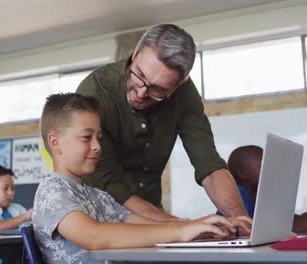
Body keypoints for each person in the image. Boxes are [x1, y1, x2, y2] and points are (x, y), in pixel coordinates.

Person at [33, 93, 241, 264]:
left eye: (99, 138)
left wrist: (205, 227)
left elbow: (148, 226)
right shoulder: (53, 190)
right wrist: (185, 231)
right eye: (87, 137)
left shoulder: (98, 196)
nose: (97, 146)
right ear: (55, 142)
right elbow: (94, 237)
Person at [76, 24, 250, 228]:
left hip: (153, 217)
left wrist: (242, 222)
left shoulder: (185, 95)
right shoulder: (93, 93)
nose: (141, 93)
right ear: (135, 53)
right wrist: (185, 227)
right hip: (100, 220)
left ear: (180, 84)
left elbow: (209, 165)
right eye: (139, 75)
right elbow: (110, 189)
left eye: (158, 90)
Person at [226, 145, 307, 233]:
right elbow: (242, 231)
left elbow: (279, 220)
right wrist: (295, 227)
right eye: (264, 164)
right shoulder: (237, 194)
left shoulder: (264, 196)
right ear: (243, 173)